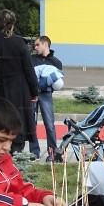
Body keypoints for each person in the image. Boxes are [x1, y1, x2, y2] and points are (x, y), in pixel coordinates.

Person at [0, 9, 39, 155]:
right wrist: (34, 92)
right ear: (13, 24)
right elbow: (29, 70)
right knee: (17, 132)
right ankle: (14, 161)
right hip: (18, 95)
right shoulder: (20, 43)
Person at [29, 35, 63, 163]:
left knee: (49, 125)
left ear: (45, 45)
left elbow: (57, 81)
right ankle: (34, 153)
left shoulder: (56, 62)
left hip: (46, 95)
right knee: (32, 124)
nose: (35, 48)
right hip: (32, 95)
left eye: (37, 45)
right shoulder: (31, 59)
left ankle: (52, 153)